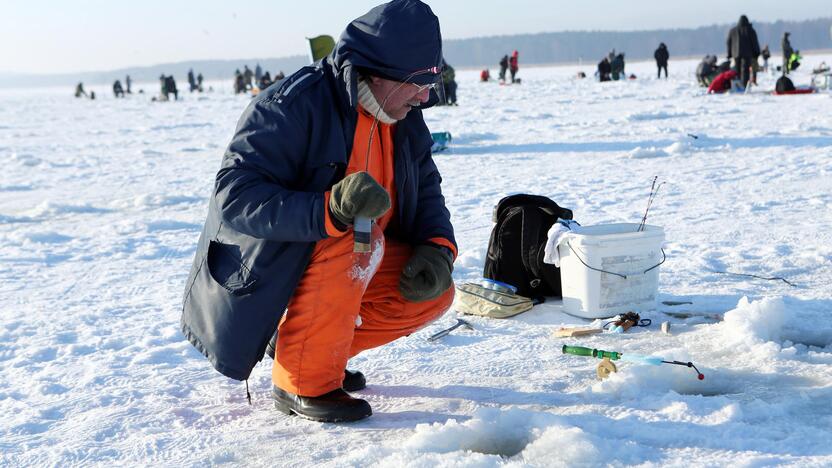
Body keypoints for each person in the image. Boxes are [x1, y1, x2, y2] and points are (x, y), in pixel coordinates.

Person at [181, 0, 456, 424]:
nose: (426, 96)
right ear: (379, 70)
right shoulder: (294, 105)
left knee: (434, 290)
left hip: (360, 255)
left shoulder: (402, 114)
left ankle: (307, 349)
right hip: (274, 270)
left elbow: (426, 186)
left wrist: (438, 248)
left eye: (432, 82)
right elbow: (234, 196)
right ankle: (302, 382)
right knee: (349, 239)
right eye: (420, 81)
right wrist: (327, 210)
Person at [726, 15, 760, 89]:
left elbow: (728, 42)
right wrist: (756, 52)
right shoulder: (750, 30)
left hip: (735, 54)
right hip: (747, 54)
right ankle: (744, 85)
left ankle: (738, 85)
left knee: (737, 70)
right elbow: (754, 42)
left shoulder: (733, 30)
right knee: (746, 71)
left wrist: (729, 54)